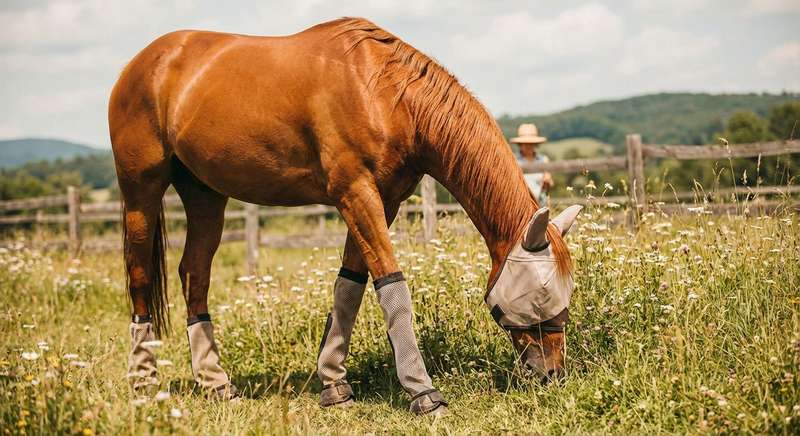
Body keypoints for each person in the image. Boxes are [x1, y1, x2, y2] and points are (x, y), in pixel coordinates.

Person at [511, 123, 554, 206]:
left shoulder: (543, 160)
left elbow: (549, 184)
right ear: (520, 144)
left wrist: (547, 180)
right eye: (526, 143)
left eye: (531, 143)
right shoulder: (514, 160)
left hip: (540, 202)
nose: (528, 146)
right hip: (520, 202)